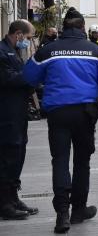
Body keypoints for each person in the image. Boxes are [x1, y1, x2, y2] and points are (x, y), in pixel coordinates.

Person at [23, 8, 98, 234]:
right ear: (83, 28)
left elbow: (28, 77)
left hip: (57, 113)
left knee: (59, 160)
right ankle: (78, 210)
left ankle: (62, 214)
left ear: (63, 28)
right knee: (81, 161)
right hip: (85, 114)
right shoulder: (96, 51)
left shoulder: (48, 51)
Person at [0, 19, 38, 220]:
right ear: (19, 34)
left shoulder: (14, 51)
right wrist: (32, 75)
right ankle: (5, 203)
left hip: (18, 113)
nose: (29, 42)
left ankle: (13, 198)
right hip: (7, 114)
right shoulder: (2, 52)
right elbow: (9, 79)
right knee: (9, 156)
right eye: (29, 37)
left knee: (19, 153)